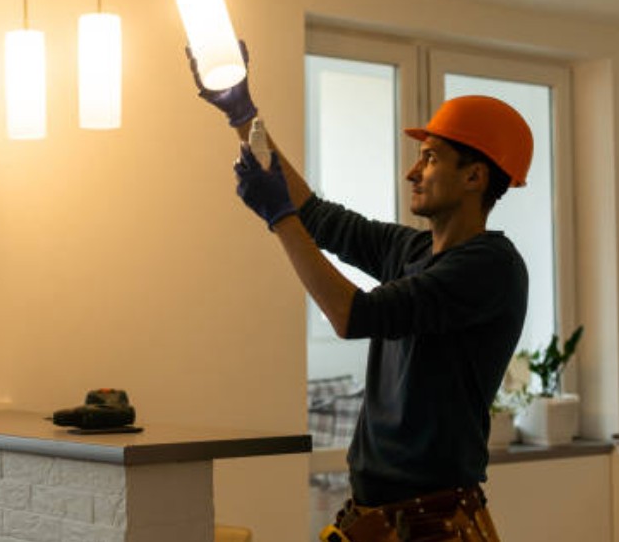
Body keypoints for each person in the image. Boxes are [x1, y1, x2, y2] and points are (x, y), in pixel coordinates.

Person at [186, 43, 533, 542]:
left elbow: (352, 315)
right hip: (382, 516)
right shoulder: (412, 250)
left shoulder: (490, 268)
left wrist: (278, 218)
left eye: (431, 158)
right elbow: (317, 216)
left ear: (475, 176)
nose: (413, 171)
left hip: (431, 524)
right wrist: (244, 116)